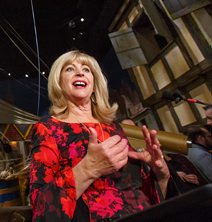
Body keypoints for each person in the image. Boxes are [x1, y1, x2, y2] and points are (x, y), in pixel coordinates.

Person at [30, 50, 170, 221]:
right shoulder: (48, 129)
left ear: (95, 83)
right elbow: (40, 208)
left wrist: (161, 174)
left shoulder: (115, 128)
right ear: (58, 82)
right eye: (69, 69)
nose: (80, 72)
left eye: (87, 69)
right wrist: (89, 168)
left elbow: (143, 195)